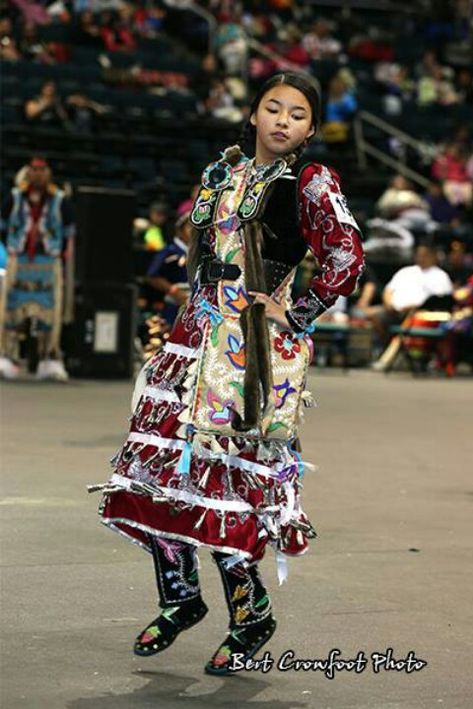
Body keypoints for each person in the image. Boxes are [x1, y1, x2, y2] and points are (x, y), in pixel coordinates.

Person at [89, 71, 364, 675]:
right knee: (153, 468)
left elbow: (346, 254)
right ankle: (180, 595)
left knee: (224, 480)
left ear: (312, 128)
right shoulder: (224, 173)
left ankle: (250, 612)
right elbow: (198, 258)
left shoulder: (311, 182)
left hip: (248, 353)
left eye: (297, 114)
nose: (283, 120)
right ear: (254, 113)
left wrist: (293, 308)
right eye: (273, 108)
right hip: (191, 338)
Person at [0, 157, 74, 380]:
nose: (38, 174)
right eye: (34, 169)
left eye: (42, 170)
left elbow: (69, 235)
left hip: (48, 264)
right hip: (19, 261)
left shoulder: (60, 201)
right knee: (11, 310)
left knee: (50, 314)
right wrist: (14, 248)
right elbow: (2, 227)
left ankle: (48, 357)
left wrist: (61, 258)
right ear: (28, 172)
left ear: (49, 173)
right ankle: (7, 355)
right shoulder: (14, 198)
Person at [146, 200, 193, 325]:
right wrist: (173, 291)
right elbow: (152, 275)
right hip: (175, 305)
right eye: (189, 227)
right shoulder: (169, 251)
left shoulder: (201, 252)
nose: (194, 231)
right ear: (180, 230)